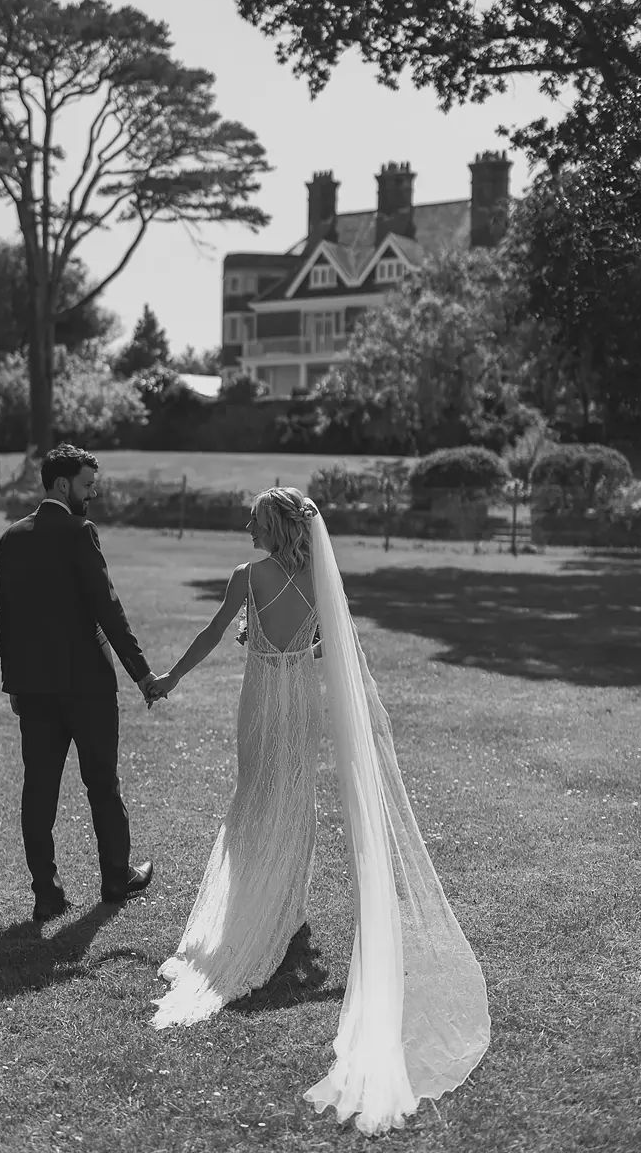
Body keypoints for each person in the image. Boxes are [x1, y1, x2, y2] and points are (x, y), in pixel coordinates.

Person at [147, 487, 490, 1137]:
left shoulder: (247, 577)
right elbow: (330, 649)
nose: (243, 522)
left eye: (250, 515)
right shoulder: (317, 579)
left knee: (255, 798)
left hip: (259, 698)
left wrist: (169, 678)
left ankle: (260, 904)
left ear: (268, 524)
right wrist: (297, 640)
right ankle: (285, 907)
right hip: (300, 697)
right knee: (292, 797)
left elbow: (211, 634)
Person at [0, 444, 158, 924]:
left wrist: (14, 686)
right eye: (87, 486)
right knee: (102, 784)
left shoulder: (11, 537)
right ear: (63, 484)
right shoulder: (79, 531)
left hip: (35, 689)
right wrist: (142, 674)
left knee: (38, 791)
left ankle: (46, 895)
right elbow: (107, 607)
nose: (91, 495)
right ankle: (116, 878)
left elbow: (6, 621)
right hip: (87, 685)